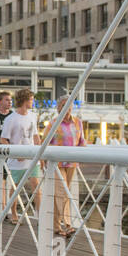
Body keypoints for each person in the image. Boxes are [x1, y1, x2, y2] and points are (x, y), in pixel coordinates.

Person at [0, 88, 41, 224]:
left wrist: (40, 153)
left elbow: (35, 136)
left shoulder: (33, 116)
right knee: (15, 188)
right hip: (17, 160)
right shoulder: (11, 119)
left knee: (36, 186)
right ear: (24, 100)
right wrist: (15, 153)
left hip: (32, 158)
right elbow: (3, 139)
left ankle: (40, 215)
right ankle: (14, 213)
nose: (33, 102)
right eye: (31, 99)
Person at [49, 95, 86, 239]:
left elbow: (82, 140)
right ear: (58, 108)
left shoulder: (77, 122)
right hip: (58, 163)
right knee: (61, 192)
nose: (68, 108)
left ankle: (64, 224)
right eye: (64, 105)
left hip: (72, 162)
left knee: (67, 194)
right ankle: (62, 225)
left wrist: (83, 153)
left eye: (70, 105)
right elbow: (45, 142)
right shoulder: (53, 123)